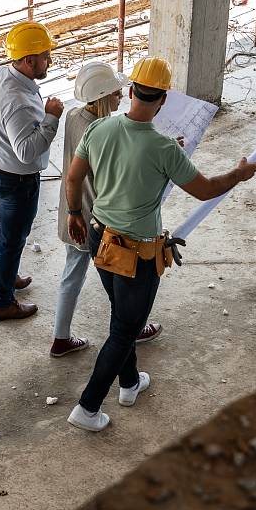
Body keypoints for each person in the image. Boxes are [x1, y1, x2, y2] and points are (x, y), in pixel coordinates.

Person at [62, 57, 256, 432]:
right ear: (163, 99)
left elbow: (73, 178)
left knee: (123, 316)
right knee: (125, 327)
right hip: (136, 253)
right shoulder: (165, 149)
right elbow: (206, 190)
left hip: (99, 237)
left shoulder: (100, 129)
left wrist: (74, 213)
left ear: (132, 91)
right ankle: (87, 408)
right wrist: (239, 174)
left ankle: (130, 382)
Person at [50, 61, 164, 358]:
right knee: (123, 277)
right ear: (103, 97)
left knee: (74, 274)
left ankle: (61, 337)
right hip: (97, 219)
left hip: (73, 210)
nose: (121, 97)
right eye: (115, 93)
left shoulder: (74, 117)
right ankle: (131, 329)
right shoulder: (101, 129)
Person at [0, 22, 64, 322]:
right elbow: (27, 151)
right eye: (44, 55)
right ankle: (2, 303)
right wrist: (51, 118)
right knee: (12, 240)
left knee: (9, 235)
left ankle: (9, 273)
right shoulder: (17, 102)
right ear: (29, 61)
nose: (49, 60)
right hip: (14, 179)